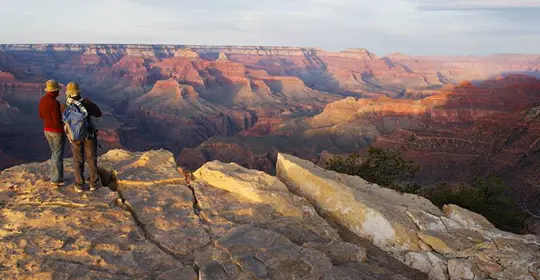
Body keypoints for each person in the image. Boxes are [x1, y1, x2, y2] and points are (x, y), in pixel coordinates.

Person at [63, 82, 102, 193]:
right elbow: (98, 113)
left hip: (75, 138)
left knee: (77, 160)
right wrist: (89, 103)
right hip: (88, 136)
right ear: (79, 92)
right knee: (91, 159)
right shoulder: (85, 103)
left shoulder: (66, 105)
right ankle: (93, 183)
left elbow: (63, 119)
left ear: (68, 93)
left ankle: (79, 184)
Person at [38, 80, 65, 186]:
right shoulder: (54, 102)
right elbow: (57, 119)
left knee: (54, 153)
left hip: (47, 130)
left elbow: (41, 115)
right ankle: (57, 179)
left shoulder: (42, 100)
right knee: (58, 154)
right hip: (57, 131)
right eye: (57, 90)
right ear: (54, 92)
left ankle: (54, 175)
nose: (58, 92)